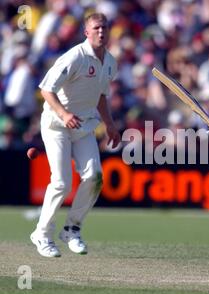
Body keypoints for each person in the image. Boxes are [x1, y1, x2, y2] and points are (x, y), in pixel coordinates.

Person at [30, 13, 120, 258]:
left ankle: (72, 229)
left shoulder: (110, 62)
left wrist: (110, 125)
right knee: (61, 182)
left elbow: (101, 96)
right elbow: (46, 89)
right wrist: (64, 113)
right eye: (96, 28)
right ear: (86, 32)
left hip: (83, 126)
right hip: (56, 124)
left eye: (105, 27)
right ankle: (42, 234)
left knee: (95, 176)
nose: (101, 31)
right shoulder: (75, 57)